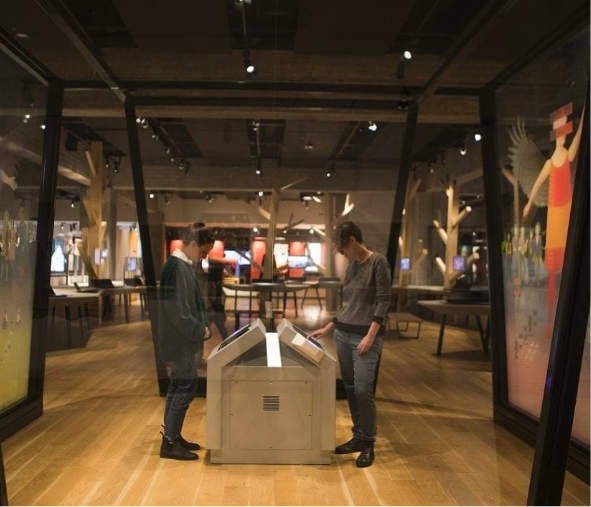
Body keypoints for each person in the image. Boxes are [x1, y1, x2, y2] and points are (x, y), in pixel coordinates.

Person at [308, 221, 391, 468]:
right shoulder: (353, 267)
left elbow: (384, 301)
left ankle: (368, 442)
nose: (343, 254)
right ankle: (359, 436)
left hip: (366, 336)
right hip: (343, 334)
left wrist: (371, 335)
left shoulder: (378, 262)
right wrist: (330, 326)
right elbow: (349, 305)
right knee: (351, 387)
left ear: (352, 241)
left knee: (364, 388)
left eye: (343, 248)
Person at [158, 224, 214, 461]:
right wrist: (198, 328)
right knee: (184, 388)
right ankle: (170, 443)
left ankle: (172, 436)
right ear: (193, 245)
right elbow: (178, 311)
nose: (204, 257)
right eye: (203, 252)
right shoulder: (177, 268)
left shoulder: (180, 266)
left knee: (177, 388)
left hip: (180, 340)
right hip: (179, 341)